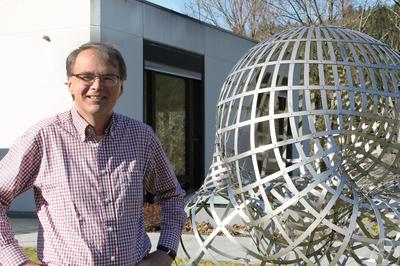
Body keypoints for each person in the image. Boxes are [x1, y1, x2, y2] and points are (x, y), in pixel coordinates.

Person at [0, 42, 187, 265]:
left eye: (108, 77)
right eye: (86, 76)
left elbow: (171, 195)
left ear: (121, 87)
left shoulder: (141, 137)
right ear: (70, 84)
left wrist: (166, 251)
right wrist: (18, 261)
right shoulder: (43, 137)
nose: (97, 86)